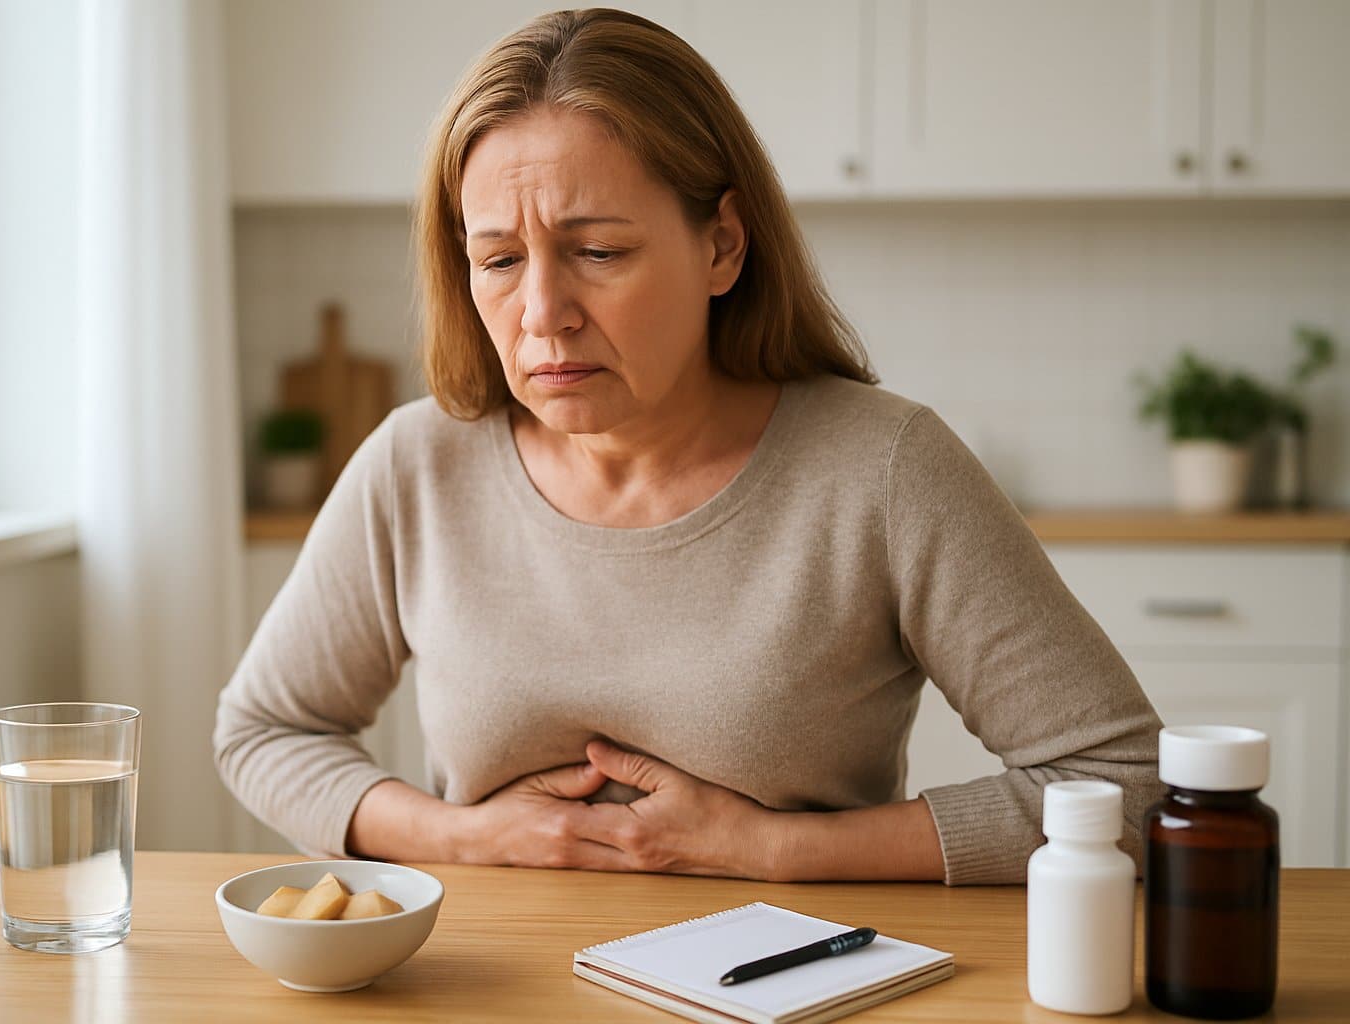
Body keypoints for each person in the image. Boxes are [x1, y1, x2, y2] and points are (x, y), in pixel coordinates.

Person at [213, 8, 1162, 885]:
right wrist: (464, 836)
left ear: (723, 247)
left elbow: (1131, 784)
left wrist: (776, 847)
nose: (543, 315)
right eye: (499, 260)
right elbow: (264, 730)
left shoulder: (885, 469)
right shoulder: (414, 465)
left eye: (598, 252)